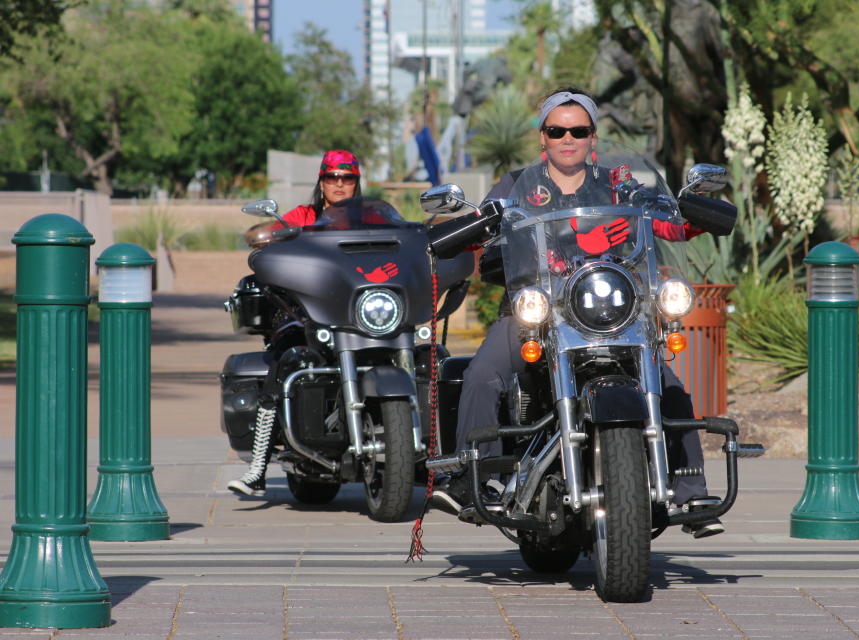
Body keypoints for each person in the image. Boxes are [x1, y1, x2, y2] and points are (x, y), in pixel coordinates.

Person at [431, 88, 723, 538]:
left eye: (579, 130)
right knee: (483, 374)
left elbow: (667, 222)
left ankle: (690, 487)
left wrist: (694, 214)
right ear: (542, 137)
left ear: (593, 137)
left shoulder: (619, 184)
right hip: (541, 310)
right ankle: (474, 479)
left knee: (668, 383)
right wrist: (470, 230)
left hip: (615, 310)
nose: (568, 138)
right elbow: (483, 231)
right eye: (557, 130)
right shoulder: (516, 186)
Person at [228, 149, 362, 497]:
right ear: (321, 180)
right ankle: (258, 467)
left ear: (356, 182)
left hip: (358, 313)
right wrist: (272, 236)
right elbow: (260, 237)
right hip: (305, 312)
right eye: (332, 176)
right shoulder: (302, 216)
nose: (339, 184)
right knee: (288, 358)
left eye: (347, 177)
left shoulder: (371, 220)